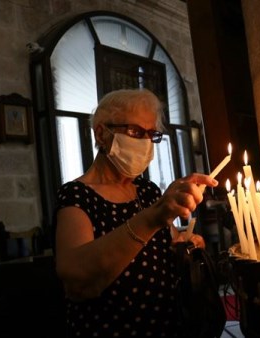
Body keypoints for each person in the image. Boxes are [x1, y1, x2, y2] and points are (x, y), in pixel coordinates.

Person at [54, 88, 218, 337]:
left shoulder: (147, 191)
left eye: (151, 134)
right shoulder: (77, 195)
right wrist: (152, 217)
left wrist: (186, 246)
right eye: (134, 131)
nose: (144, 142)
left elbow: (169, 244)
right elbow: (77, 280)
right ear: (101, 133)